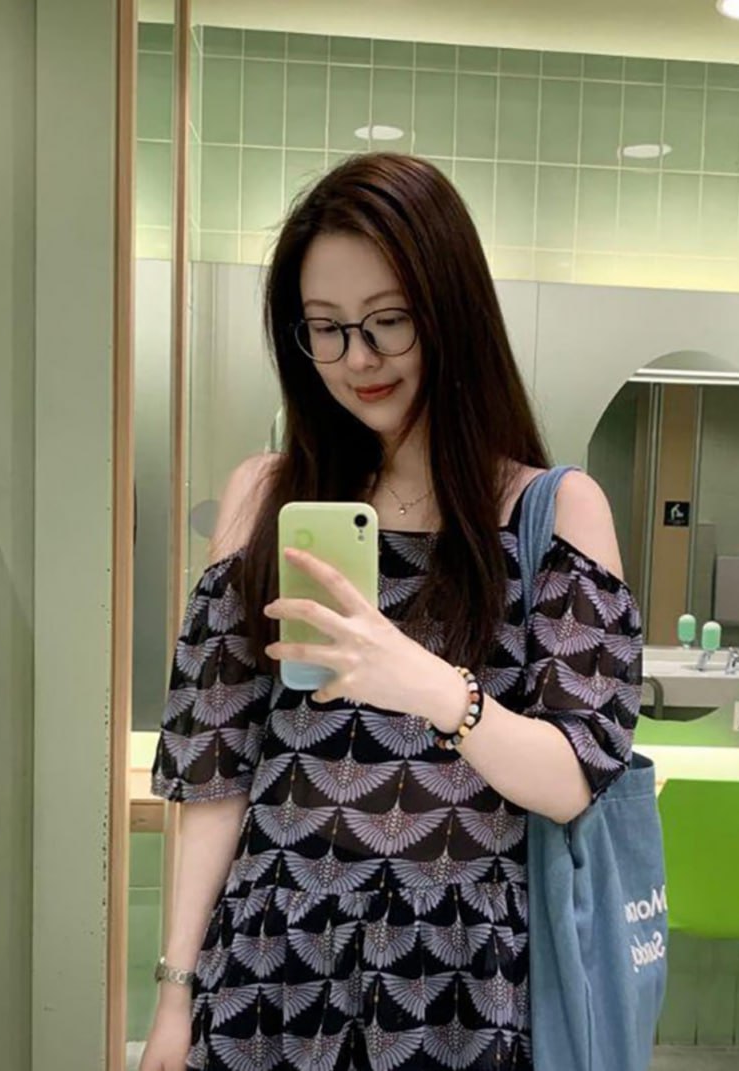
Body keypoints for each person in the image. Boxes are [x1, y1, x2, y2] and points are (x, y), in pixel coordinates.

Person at [140, 153, 642, 1071]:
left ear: (452, 312)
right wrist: (174, 997)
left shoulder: (553, 513)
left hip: (460, 980)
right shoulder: (264, 497)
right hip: (268, 967)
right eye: (325, 329)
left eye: (387, 321)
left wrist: (432, 687)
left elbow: (575, 776)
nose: (357, 359)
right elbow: (219, 774)